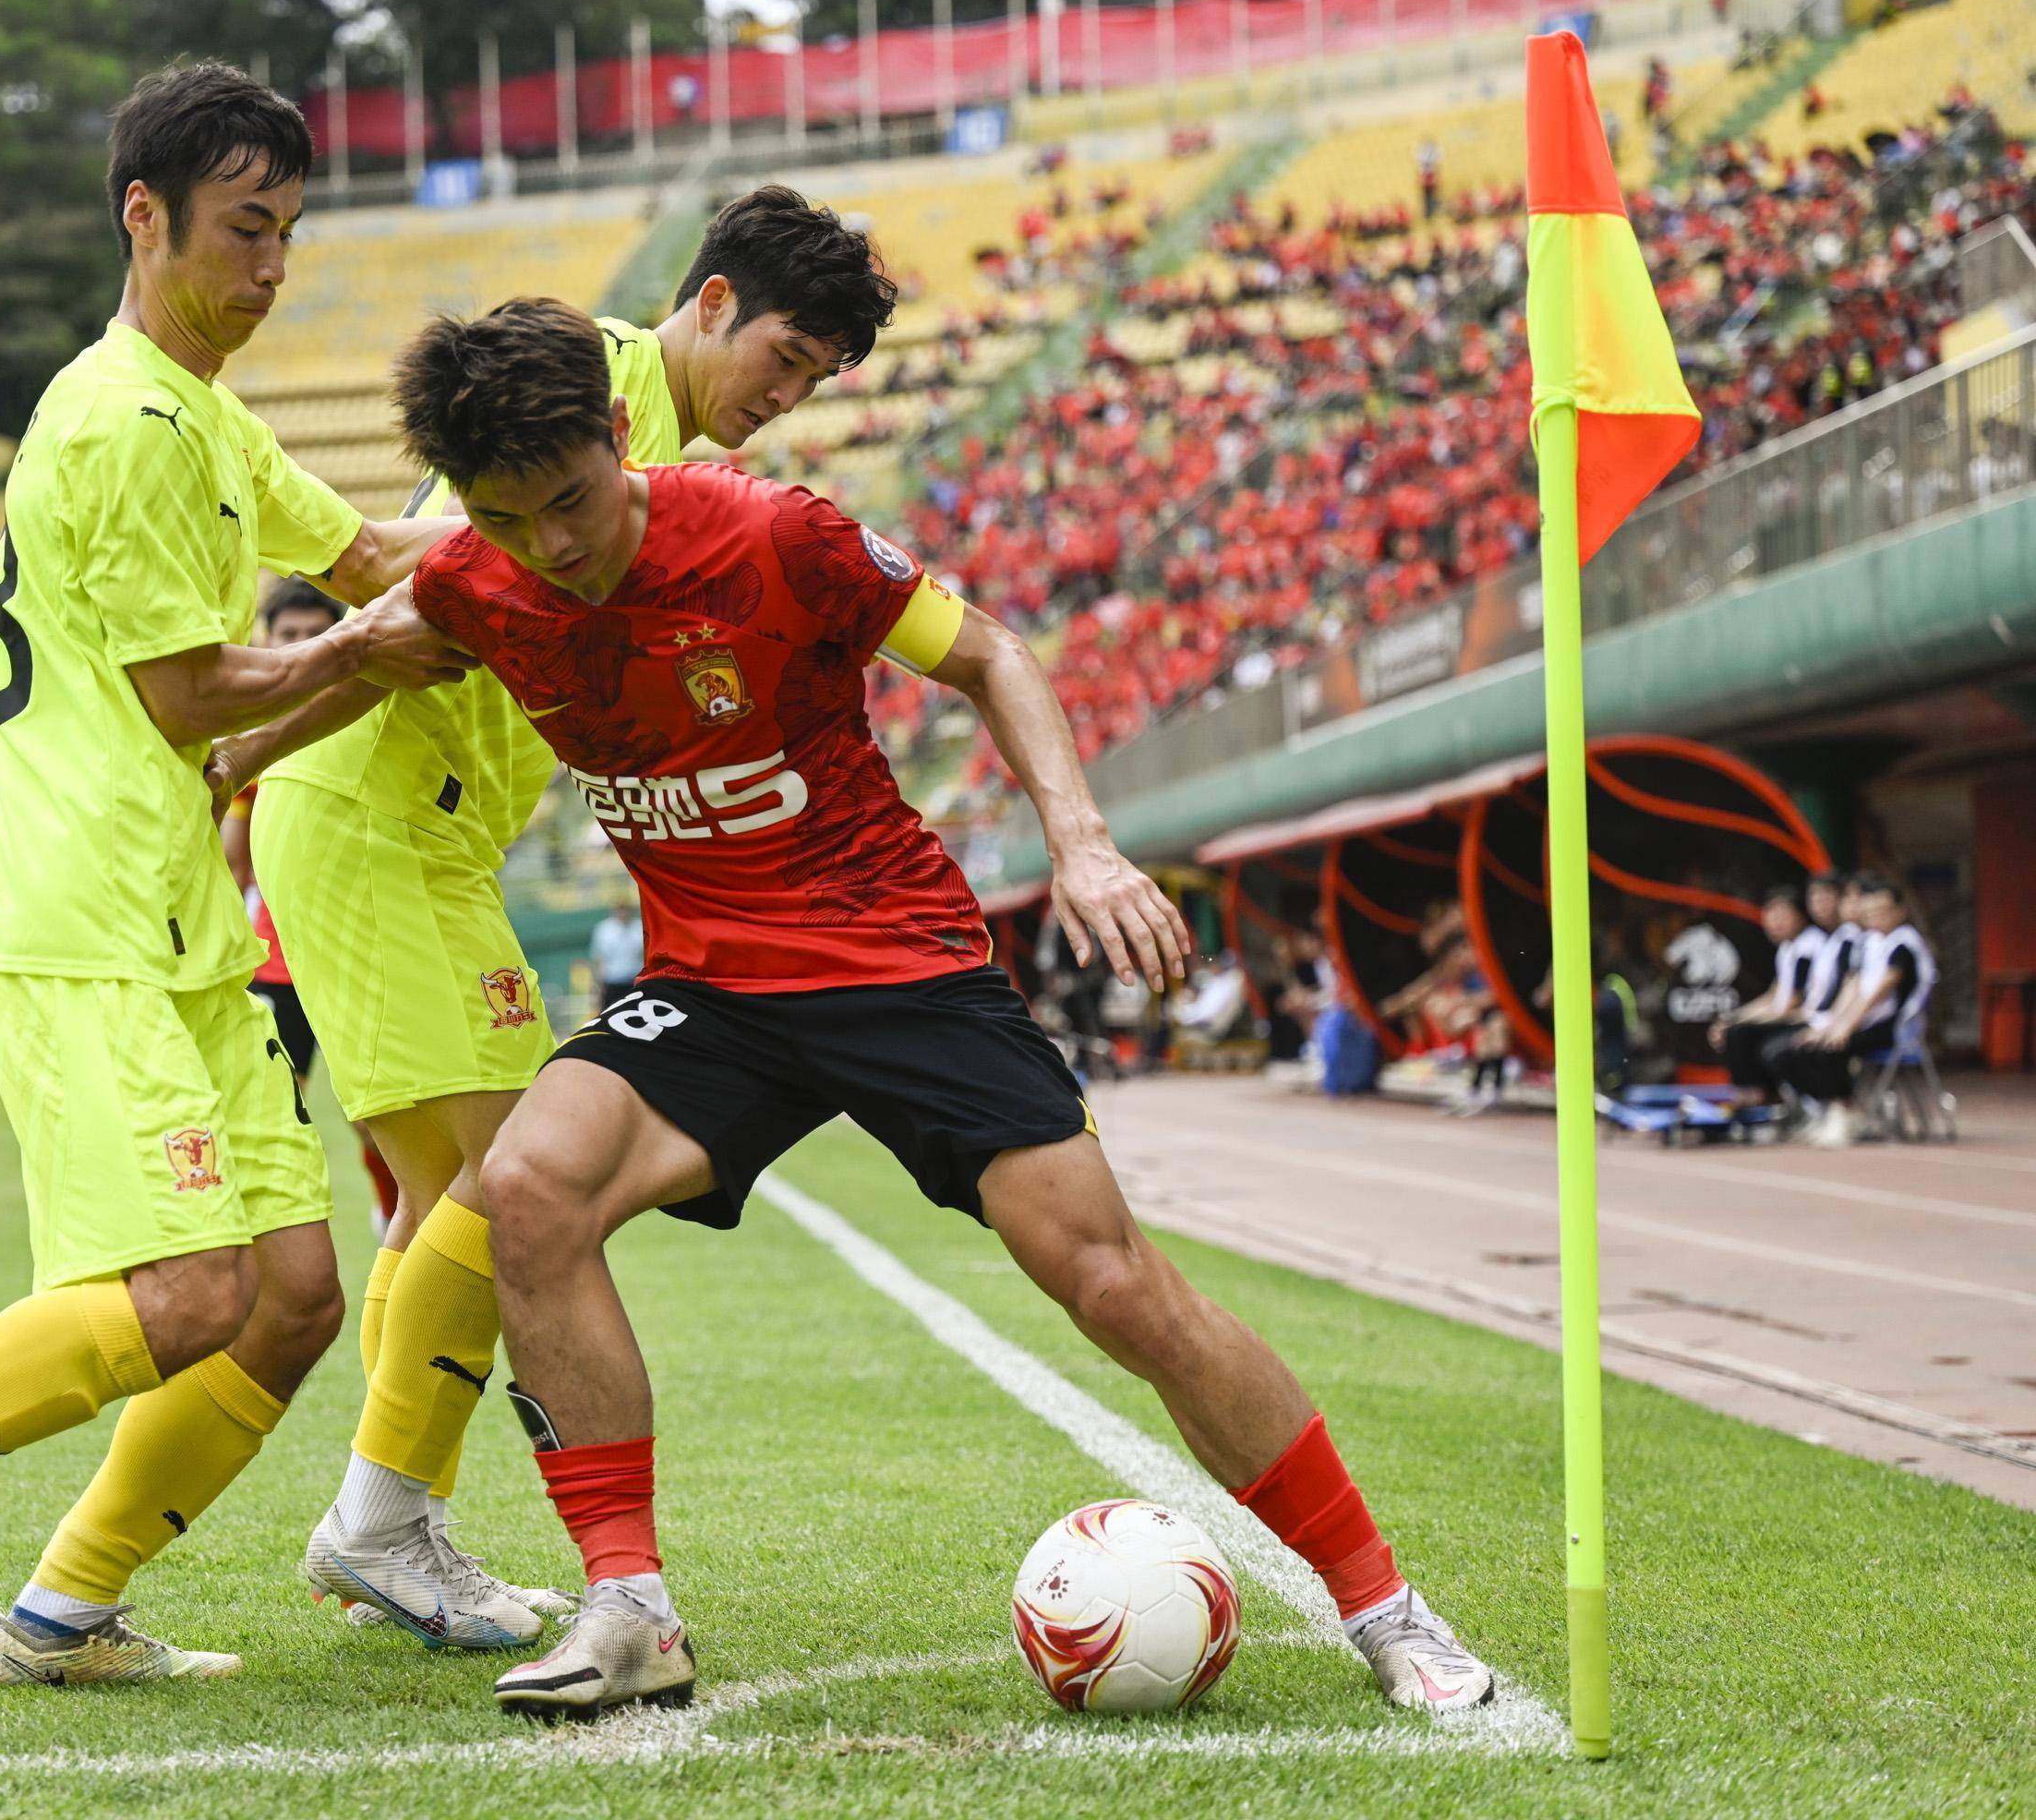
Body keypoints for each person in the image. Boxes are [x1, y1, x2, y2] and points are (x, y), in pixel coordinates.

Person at [390, 297, 1498, 1721]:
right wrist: (217, 745)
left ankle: (1386, 1607)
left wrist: (1083, 842)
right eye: (505, 518)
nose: (548, 545)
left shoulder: (778, 532)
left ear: (620, 438)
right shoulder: (480, 577)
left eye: (568, 503)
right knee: (530, 1188)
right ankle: (629, 1610)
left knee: (1109, 1281)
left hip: (893, 960)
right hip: (711, 990)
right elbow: (357, 625)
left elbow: (989, 654)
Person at [0, 60, 472, 1689]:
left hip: (179, 926)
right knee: (193, 1289)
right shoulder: (122, 421)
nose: (269, 268)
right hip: (83, 924)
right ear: (144, 218)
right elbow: (195, 696)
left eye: (285, 232)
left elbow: (363, 558)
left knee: (287, 1298)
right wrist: (376, 640)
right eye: (241, 230)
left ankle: (62, 1617)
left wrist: (559, 542)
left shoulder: (206, 413)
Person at [210, 187, 900, 1648]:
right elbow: (417, 577)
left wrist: (243, 768)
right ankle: (381, 1519)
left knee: (446, 1212)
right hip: (385, 822)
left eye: (816, 380)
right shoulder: (571, 389)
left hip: (419, 835)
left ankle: (382, 1524)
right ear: (708, 302)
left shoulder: (654, 439)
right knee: (520, 1181)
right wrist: (242, 741)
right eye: (781, 356)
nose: (783, 399)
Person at [219, 579, 404, 1232]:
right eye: (285, 636)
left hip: (356, 951)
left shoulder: (365, 718)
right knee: (272, 1110)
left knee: (380, 1114)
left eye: (310, 634)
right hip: (276, 964)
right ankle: (270, 1235)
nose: (298, 647)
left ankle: (396, 1217)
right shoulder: (249, 735)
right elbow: (235, 861)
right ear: (263, 641)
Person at [1765, 876, 1936, 1148]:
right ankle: (1834, 1109)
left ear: (1900, 911)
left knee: (1830, 1048)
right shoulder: (1870, 943)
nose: (1875, 917)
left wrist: (1844, 1028)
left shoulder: (1904, 943)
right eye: (1871, 912)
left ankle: (1846, 1112)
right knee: (1795, 1049)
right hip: (1864, 1023)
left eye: (1882, 911)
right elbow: (1855, 988)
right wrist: (1833, 1024)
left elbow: (1880, 991)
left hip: (1895, 1030)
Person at [1709, 882, 1822, 1096]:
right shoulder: (1787, 948)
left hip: (1806, 1018)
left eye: (1782, 915)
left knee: (1742, 1035)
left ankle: (1760, 1098)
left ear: (1801, 915)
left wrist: (1745, 1022)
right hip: (1787, 1016)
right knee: (1733, 1029)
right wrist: (1734, 1017)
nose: (1775, 923)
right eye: (1771, 915)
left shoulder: (1809, 946)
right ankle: (1751, 1097)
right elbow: (1774, 995)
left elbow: (1791, 1002)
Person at [588, 884, 645, 1002]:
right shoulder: (604, 929)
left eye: (626, 908)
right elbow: (598, 959)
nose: (623, 912)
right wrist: (597, 986)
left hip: (634, 981)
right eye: (620, 908)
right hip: (612, 982)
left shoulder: (639, 927)